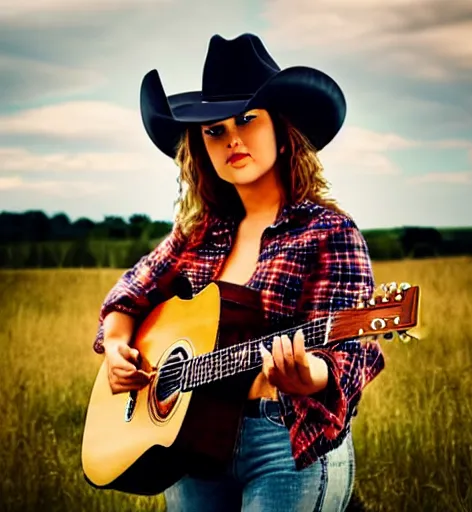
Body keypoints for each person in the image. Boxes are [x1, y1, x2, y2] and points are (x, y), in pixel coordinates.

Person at [92, 33, 385, 511]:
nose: (232, 139)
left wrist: (308, 376)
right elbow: (130, 291)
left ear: (282, 131)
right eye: (214, 129)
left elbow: (348, 355)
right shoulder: (199, 234)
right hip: (192, 441)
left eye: (248, 120)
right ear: (200, 146)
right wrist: (117, 344)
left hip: (284, 442)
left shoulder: (327, 231)